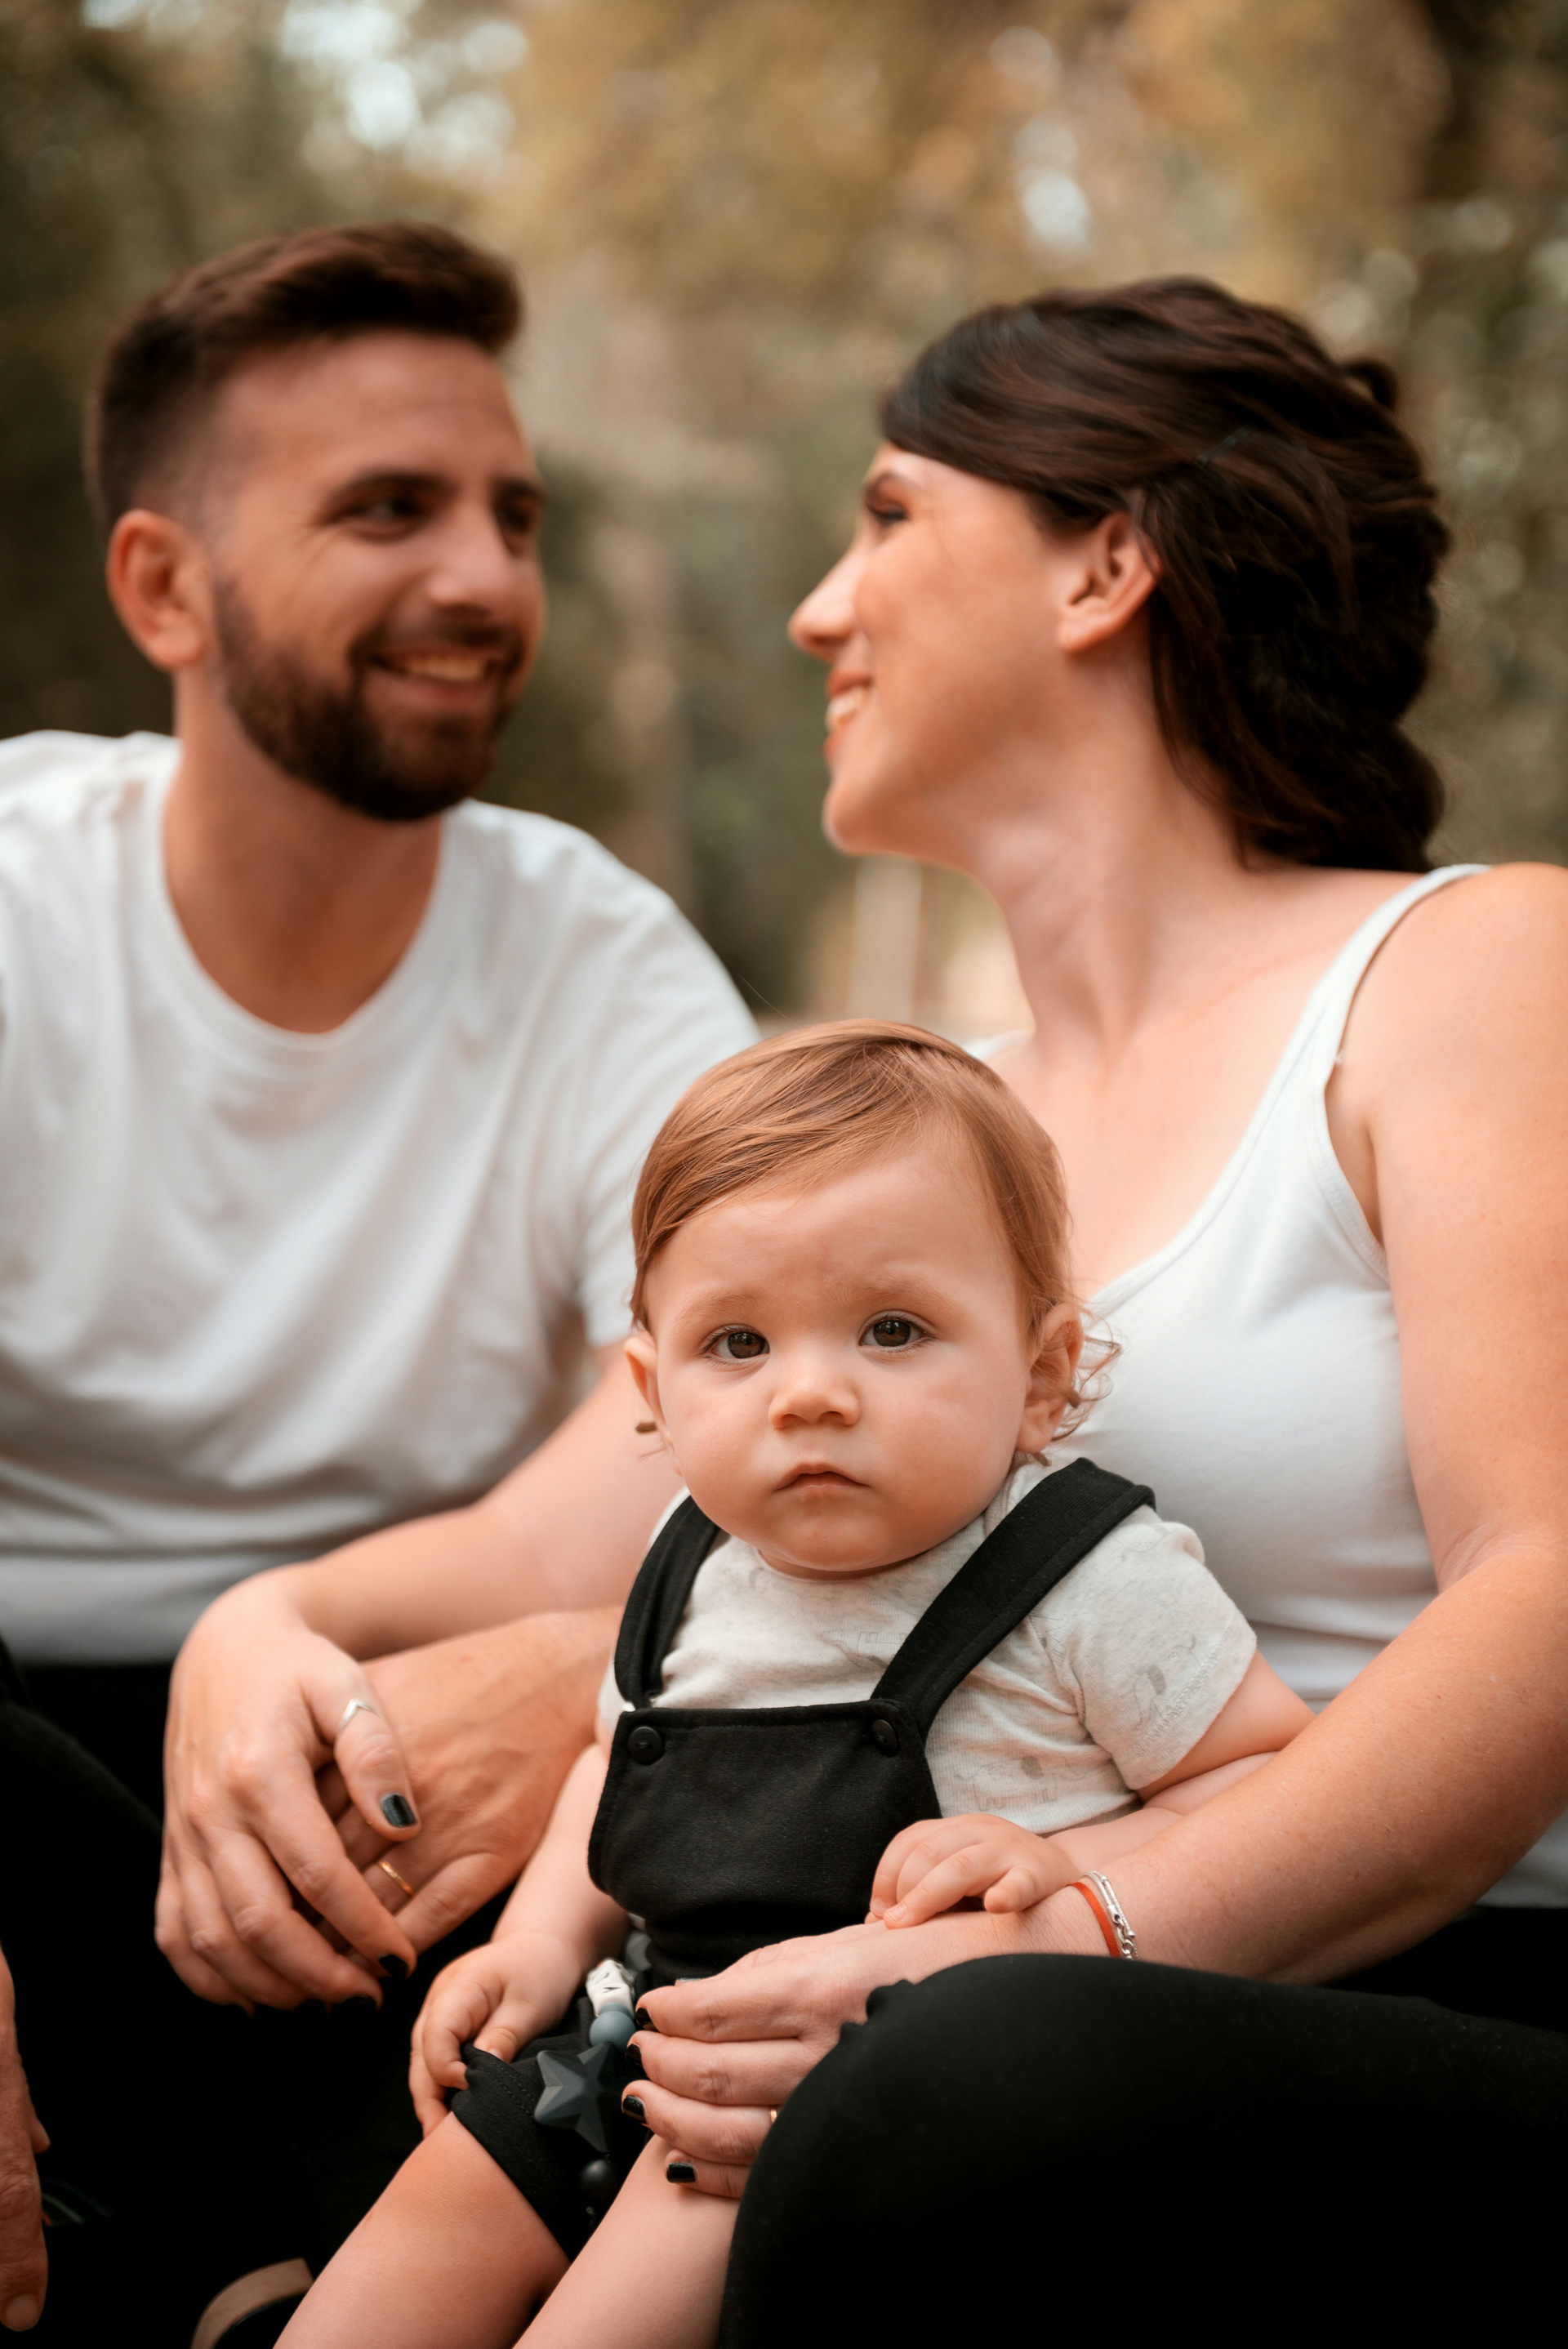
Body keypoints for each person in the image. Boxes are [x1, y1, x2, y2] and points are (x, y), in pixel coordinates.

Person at [581, 278, 1568, 2330]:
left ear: (1106, 564)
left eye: (887, 514)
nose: (819, 610)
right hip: (934, 1949)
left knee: (955, 2082)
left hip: (1419, 1988)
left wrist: (1073, 1932)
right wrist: (281, 1632)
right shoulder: (931, 1130)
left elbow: (1548, 1581)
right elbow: (610, 1506)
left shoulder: (1474, 970)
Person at [0, 221, 752, 2332]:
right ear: (165, 587)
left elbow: (717, 1411)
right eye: (389, 510)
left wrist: (537, 1664)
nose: (486, 578)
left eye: (513, 514)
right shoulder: (19, 895)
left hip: (383, 1781)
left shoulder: (599, 966)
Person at [279, 1021, 1312, 2348]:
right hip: (640, 2029)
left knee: (609, 2304)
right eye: (738, 1343)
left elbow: (1267, 1778)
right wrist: (538, 1945)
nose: (809, 1394)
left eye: (892, 1330)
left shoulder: (1087, 1575)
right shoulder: (691, 1559)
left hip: (835, 2093)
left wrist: (1062, 1862)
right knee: (408, 2249)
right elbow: (616, 1761)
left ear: (1042, 1374)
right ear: (654, 1391)